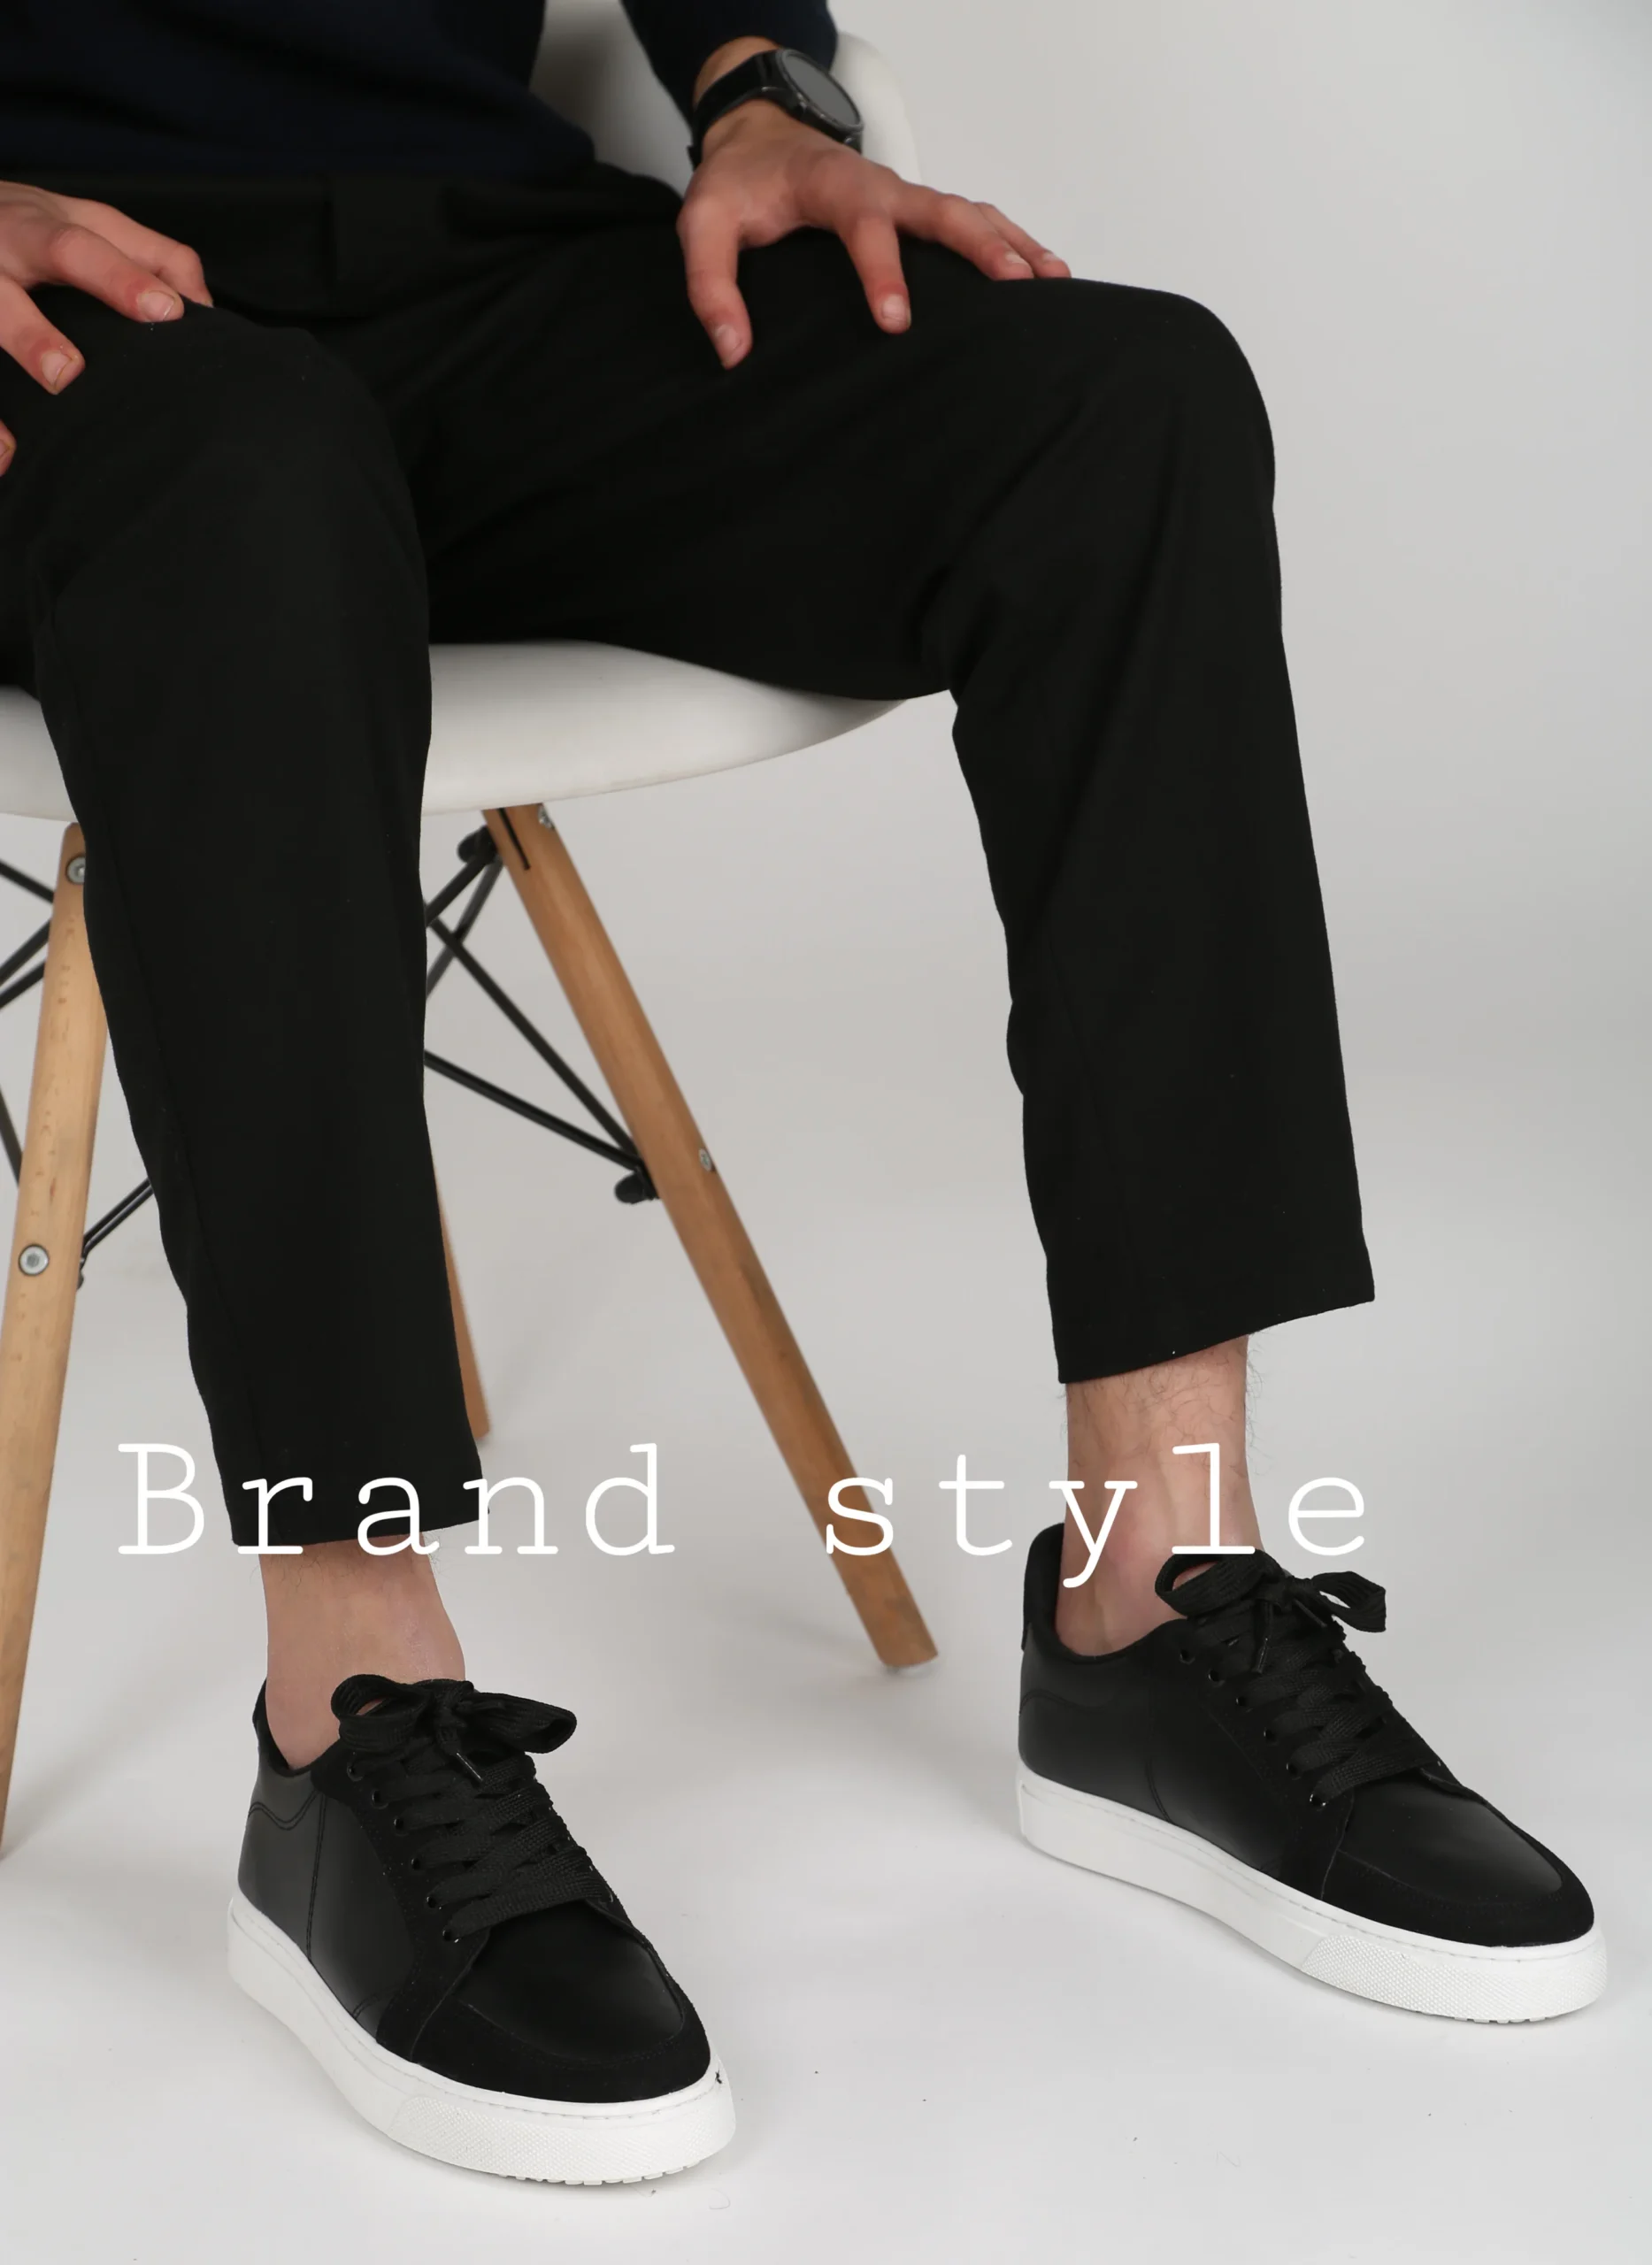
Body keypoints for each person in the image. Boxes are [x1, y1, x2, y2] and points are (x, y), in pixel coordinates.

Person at [0, 0, 1601, 2187]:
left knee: (1122, 407)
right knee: (250, 476)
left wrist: (757, 88)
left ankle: (1157, 1592)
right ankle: (349, 1716)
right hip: (73, 328)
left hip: (481, 276)